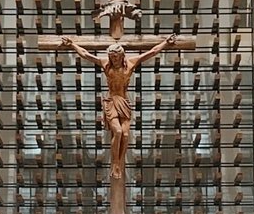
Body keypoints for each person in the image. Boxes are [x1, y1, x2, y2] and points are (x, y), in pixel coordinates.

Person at [61, 34, 178, 180]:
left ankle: (120, 162)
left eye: (116, 57)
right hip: (111, 102)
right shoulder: (106, 65)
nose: (114, 60)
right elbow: (86, 55)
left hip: (123, 101)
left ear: (122, 56)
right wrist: (72, 44)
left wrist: (166, 43)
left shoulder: (131, 64)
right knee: (117, 131)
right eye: (112, 57)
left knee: (126, 134)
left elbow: (152, 52)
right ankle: (115, 163)